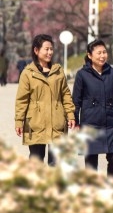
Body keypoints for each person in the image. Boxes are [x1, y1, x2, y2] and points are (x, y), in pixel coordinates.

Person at [15, 34, 76, 165]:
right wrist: (19, 121)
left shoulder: (58, 71)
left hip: (57, 122)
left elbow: (65, 94)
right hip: (36, 123)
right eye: (46, 49)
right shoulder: (27, 73)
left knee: (56, 162)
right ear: (36, 50)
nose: (49, 52)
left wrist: (70, 115)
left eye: (51, 49)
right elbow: (22, 100)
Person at [72, 39, 113, 179]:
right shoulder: (82, 74)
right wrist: (75, 120)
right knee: (91, 160)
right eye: (99, 53)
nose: (102, 56)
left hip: (111, 123)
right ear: (90, 55)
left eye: (104, 52)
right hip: (90, 123)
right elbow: (76, 100)